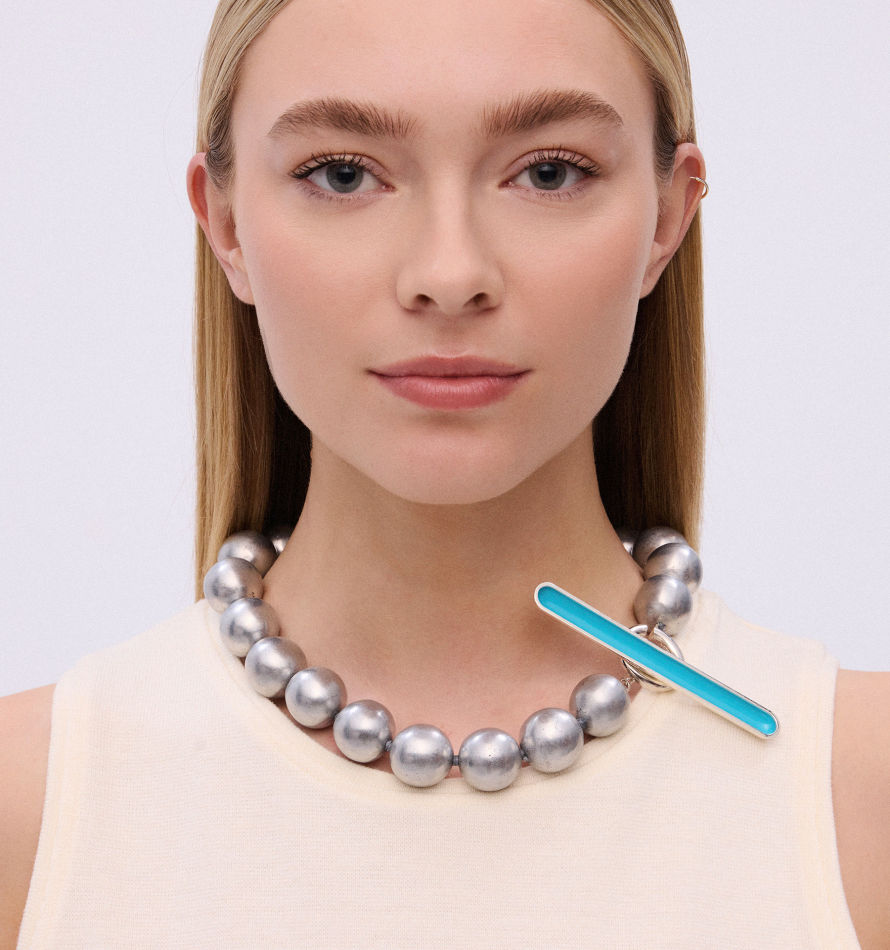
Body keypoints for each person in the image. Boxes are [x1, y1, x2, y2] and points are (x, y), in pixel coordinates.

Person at [1, 0, 887, 946]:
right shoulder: (30, 809)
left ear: (668, 216)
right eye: (343, 174)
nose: (451, 272)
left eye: (549, 172)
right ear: (224, 223)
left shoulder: (860, 796)